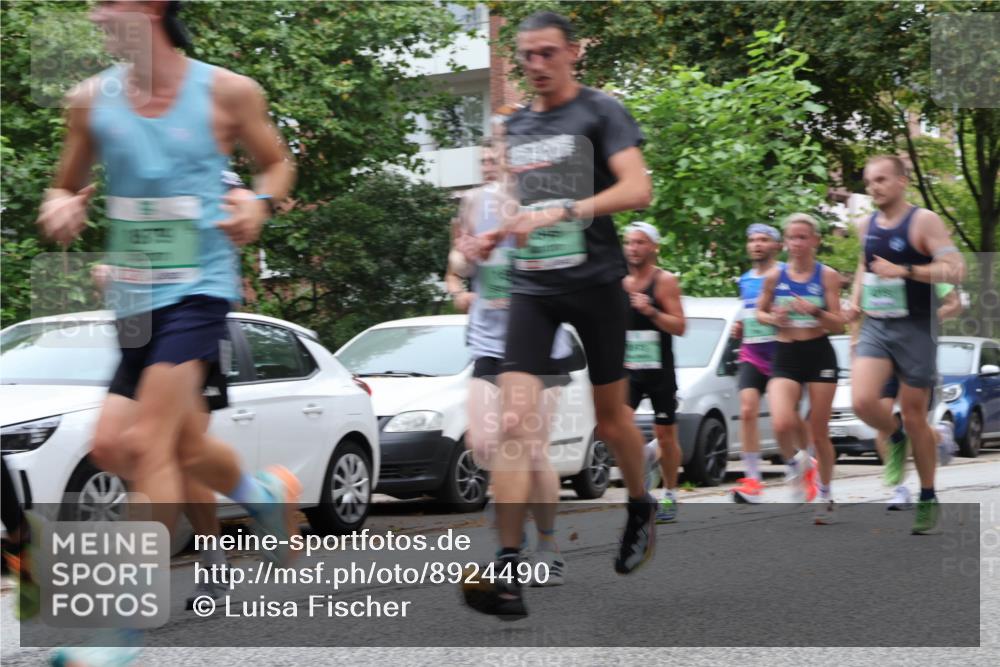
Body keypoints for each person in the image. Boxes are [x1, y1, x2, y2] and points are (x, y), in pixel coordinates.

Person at [35, 2, 297, 662]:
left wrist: (257, 202)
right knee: (117, 446)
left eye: (108, 4)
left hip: (199, 288)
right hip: (133, 297)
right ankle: (259, 490)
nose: (95, 15)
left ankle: (119, 631)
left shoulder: (229, 92)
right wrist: (62, 202)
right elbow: (64, 185)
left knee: (148, 439)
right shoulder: (89, 101)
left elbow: (277, 165)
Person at [461, 10, 654, 620]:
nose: (536, 66)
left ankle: (642, 505)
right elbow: (519, 203)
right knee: (516, 423)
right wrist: (497, 236)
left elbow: (636, 190)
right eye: (527, 57)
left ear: (573, 53)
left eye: (548, 54)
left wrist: (565, 211)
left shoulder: (601, 111)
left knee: (612, 417)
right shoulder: (512, 125)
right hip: (533, 288)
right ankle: (510, 570)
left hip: (595, 282)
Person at [448, 141, 573, 588]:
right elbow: (457, 262)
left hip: (541, 341)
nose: (497, 162)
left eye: (505, 153)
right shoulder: (471, 203)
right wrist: (465, 264)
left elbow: (565, 264)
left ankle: (545, 545)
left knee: (529, 447)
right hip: (489, 340)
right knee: (483, 444)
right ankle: (511, 515)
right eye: (491, 155)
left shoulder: (547, 202)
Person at [844, 155, 965, 534]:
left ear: (901, 181)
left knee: (916, 417)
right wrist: (854, 302)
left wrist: (907, 270)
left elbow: (955, 268)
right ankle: (893, 438)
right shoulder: (865, 224)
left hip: (917, 326)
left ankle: (928, 494)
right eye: (869, 182)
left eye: (881, 179)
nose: (874, 187)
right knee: (862, 401)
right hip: (879, 324)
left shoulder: (923, 221)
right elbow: (866, 266)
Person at [757, 214, 844, 523]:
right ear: (785, 242)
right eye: (792, 238)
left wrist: (816, 310)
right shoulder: (774, 277)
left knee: (818, 432)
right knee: (781, 423)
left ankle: (825, 493)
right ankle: (796, 463)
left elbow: (839, 323)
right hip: (786, 353)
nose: (796, 243)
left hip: (819, 353)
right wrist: (774, 319)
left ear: (815, 241)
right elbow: (759, 312)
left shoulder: (827, 276)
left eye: (803, 237)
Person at [621, 222, 685, 522]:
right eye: (629, 242)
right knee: (615, 427)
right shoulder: (618, 281)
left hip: (659, 369)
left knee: (666, 435)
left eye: (640, 242)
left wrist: (651, 311)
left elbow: (679, 326)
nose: (633, 248)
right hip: (628, 369)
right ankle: (642, 474)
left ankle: (670, 495)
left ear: (653, 247)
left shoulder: (664, 281)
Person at [730, 223, 783, 503]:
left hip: (781, 354)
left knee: (783, 419)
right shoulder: (745, 279)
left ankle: (804, 464)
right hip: (752, 352)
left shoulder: (784, 274)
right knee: (748, 410)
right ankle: (753, 479)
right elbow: (748, 312)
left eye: (763, 239)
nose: (757, 245)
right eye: (752, 240)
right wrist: (740, 327)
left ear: (776, 245)